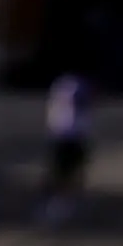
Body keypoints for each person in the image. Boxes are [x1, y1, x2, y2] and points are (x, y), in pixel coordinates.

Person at [38, 71, 92, 227]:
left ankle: (61, 204)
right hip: (69, 135)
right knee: (64, 172)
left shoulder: (63, 85)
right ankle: (61, 204)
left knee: (62, 171)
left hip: (64, 134)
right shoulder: (76, 85)